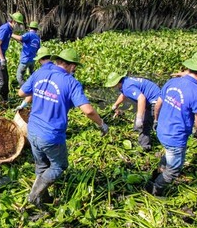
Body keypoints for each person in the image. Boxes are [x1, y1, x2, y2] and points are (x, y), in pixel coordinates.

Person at [18, 48, 109, 206]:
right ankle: (35, 193)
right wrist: (102, 124)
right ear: (72, 66)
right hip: (50, 135)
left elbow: (21, 92)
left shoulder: (40, 73)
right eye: (75, 67)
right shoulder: (71, 82)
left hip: (31, 129)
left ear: (58, 60)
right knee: (60, 165)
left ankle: (43, 199)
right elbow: (88, 111)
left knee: (42, 165)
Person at [149, 52, 197, 196]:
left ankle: (152, 179)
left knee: (168, 154)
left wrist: (156, 120)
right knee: (173, 170)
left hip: (162, 130)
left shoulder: (173, 81)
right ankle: (155, 191)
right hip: (175, 136)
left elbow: (158, 104)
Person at [104, 72, 161, 151]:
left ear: (116, 83)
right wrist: (116, 105)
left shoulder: (127, 86)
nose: (112, 87)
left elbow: (141, 99)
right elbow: (124, 94)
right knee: (139, 119)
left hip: (155, 101)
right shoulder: (125, 82)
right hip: (150, 99)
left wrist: (139, 118)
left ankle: (144, 147)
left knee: (144, 124)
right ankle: (136, 134)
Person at [0, 12, 25, 109]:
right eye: (19, 24)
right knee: (2, 81)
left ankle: (5, 98)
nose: (20, 26)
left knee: (6, 79)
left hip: (0, 58)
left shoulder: (9, 29)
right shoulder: (4, 29)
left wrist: (21, 42)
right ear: (13, 22)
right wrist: (2, 59)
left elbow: (11, 37)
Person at [15, 47, 53, 111]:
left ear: (39, 60)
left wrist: (23, 105)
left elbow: (21, 93)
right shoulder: (60, 72)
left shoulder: (37, 74)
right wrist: (24, 104)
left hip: (40, 112)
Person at [13, 21, 41, 87]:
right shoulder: (37, 38)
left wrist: (11, 34)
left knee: (19, 76)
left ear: (29, 28)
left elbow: (20, 38)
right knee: (32, 74)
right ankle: (37, 85)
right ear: (36, 29)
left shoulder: (29, 34)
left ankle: (26, 89)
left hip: (25, 59)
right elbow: (37, 49)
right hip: (32, 60)